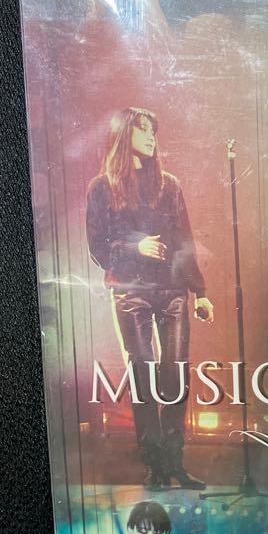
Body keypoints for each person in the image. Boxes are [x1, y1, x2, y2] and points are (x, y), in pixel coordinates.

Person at [86, 108, 214, 490]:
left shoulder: (168, 185)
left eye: (153, 131)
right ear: (125, 135)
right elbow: (98, 247)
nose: (151, 137)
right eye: (143, 130)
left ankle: (175, 463)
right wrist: (135, 246)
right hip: (131, 292)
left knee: (176, 374)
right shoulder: (102, 187)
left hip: (172, 291)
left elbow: (185, 240)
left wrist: (200, 291)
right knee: (143, 374)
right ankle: (155, 466)